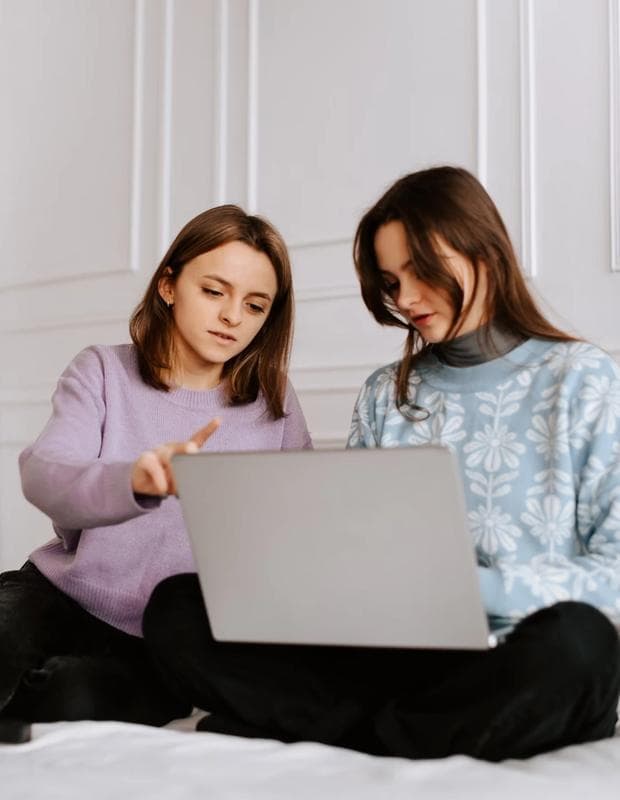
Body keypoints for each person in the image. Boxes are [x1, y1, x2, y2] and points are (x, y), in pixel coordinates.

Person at [142, 167, 620, 762]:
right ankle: (400, 732)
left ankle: (347, 733)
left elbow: (614, 574)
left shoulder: (584, 380)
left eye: (422, 272)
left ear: (485, 252)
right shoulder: (384, 393)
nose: (406, 300)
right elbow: (350, 549)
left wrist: (476, 591)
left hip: (512, 656)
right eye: (392, 281)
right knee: (177, 610)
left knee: (580, 647)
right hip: (391, 658)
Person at [0, 204, 312, 733]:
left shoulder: (274, 401)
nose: (233, 317)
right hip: (57, 594)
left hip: (160, 640)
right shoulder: (103, 369)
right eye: (214, 291)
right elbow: (45, 472)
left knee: (70, 701)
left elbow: (302, 527)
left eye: (255, 305)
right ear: (169, 285)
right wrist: (136, 480)